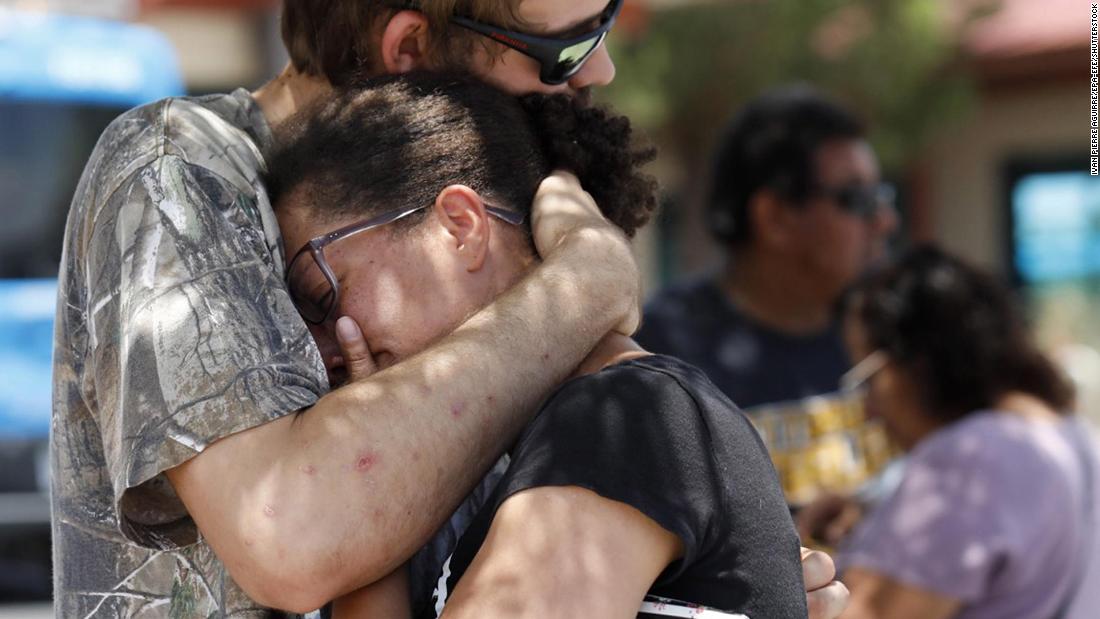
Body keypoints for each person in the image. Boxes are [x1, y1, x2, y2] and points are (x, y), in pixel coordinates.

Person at [51, 1, 846, 617]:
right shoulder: (178, 169)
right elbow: (288, 532)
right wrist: (585, 286)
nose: (598, 68)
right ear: (408, 50)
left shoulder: (586, 385)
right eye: (563, 47)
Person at [267, 70, 809, 619]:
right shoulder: (563, 440)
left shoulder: (620, 420)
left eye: (321, 294)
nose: (322, 347)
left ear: (459, 226)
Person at [635, 86, 899, 505]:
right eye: (858, 200)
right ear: (774, 218)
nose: (885, 220)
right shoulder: (662, 356)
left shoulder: (890, 331)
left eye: (883, 196)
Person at [825, 245, 1100, 619]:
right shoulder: (1069, 430)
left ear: (919, 362)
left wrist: (806, 563)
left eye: (867, 379)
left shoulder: (969, 459)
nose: (868, 409)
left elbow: (871, 612)